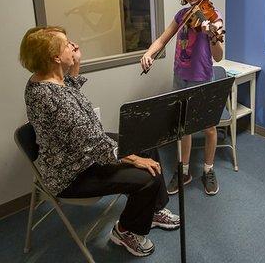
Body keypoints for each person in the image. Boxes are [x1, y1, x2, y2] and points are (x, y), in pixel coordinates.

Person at [19, 26, 179, 258]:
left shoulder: (46, 78)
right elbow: (94, 146)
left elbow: (70, 91)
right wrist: (134, 159)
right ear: (54, 57)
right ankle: (124, 231)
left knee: (145, 144)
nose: (73, 45)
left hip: (84, 152)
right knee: (146, 177)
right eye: (66, 44)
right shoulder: (47, 96)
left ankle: (152, 210)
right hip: (72, 173)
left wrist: (74, 65)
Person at [140, 0, 224, 196]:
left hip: (202, 77)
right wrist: (149, 52)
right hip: (181, 76)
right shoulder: (181, 15)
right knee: (183, 127)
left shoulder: (213, 17)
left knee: (208, 128)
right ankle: (184, 170)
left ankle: (208, 169)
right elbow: (162, 39)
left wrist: (212, 35)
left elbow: (218, 56)